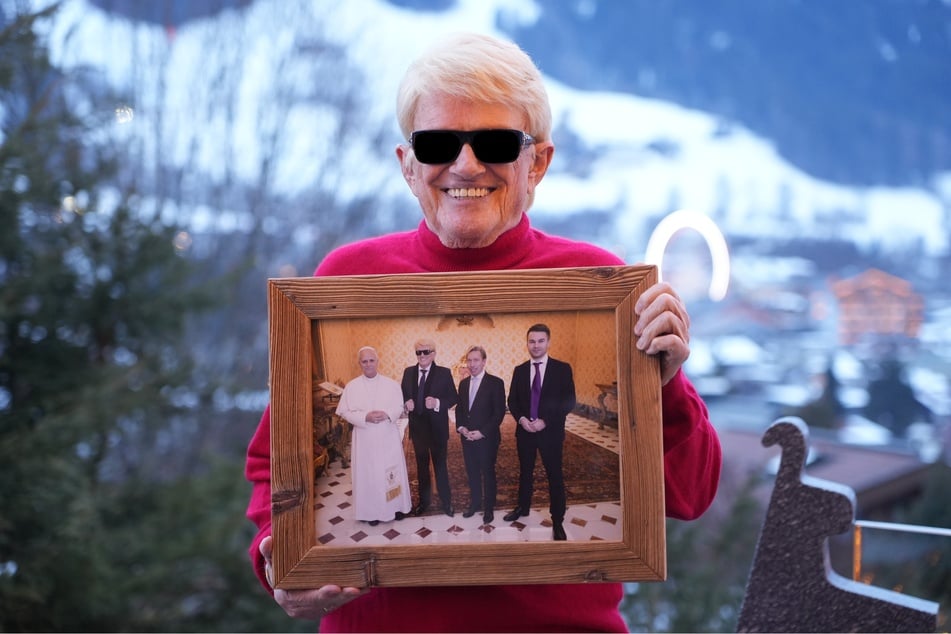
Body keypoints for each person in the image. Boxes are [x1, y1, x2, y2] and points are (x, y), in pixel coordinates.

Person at [245, 31, 722, 631]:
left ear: (537, 162)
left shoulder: (596, 284)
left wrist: (665, 383)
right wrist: (278, 555)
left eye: (494, 142)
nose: (465, 164)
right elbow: (275, 460)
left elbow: (690, 493)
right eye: (439, 142)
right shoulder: (347, 280)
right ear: (409, 165)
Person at [504, 324, 574, 540]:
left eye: (540, 341)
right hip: (525, 431)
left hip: (550, 432)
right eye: (532, 341)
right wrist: (522, 419)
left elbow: (569, 401)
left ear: (548, 342)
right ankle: (522, 508)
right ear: (527, 343)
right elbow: (512, 400)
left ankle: (558, 521)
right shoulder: (520, 370)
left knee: (555, 475)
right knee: (525, 473)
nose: (536, 345)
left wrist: (546, 421)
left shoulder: (562, 369)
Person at [334, 346, 411, 525]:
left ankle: (397, 508)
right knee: (369, 475)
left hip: (387, 436)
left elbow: (399, 407)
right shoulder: (352, 387)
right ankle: (371, 513)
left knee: (391, 472)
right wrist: (364, 417)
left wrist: (387, 414)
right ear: (359, 363)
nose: (368, 364)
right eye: (364, 361)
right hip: (365, 437)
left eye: (371, 360)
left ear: (377, 361)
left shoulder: (391, 384)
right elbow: (344, 412)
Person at [400, 338, 459, 517]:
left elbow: (453, 398)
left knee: (441, 467)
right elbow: (402, 395)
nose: (422, 355)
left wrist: (437, 403)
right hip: (418, 431)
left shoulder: (444, 373)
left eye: (426, 352)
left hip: (437, 430)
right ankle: (424, 502)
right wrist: (405, 403)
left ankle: (446, 502)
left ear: (433, 354)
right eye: (419, 352)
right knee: (421, 468)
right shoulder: (408, 372)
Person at [454, 345, 506, 524]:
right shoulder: (463, 383)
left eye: (476, 360)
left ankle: (489, 508)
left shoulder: (496, 383)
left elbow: (498, 413)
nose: (472, 364)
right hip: (467, 438)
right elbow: (460, 410)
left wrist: (482, 432)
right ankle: (475, 503)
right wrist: (461, 428)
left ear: (484, 361)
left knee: (488, 473)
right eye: (469, 360)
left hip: (487, 439)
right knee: (472, 472)